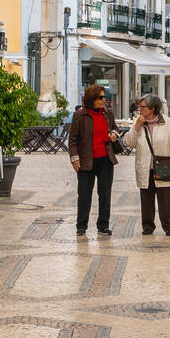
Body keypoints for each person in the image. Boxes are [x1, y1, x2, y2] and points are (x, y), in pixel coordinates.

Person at [122, 94, 170, 235]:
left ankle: (169, 227)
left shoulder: (168, 124)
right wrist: (136, 127)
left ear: (153, 108)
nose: (140, 109)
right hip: (145, 168)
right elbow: (128, 143)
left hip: (164, 167)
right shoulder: (139, 124)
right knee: (146, 200)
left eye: (143, 107)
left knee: (165, 201)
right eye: (139, 107)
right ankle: (147, 226)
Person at [68, 84, 121, 236]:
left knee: (105, 194)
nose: (104, 100)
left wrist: (113, 133)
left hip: (106, 160)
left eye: (105, 97)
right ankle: (81, 225)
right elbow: (73, 139)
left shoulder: (107, 114)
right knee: (84, 194)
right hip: (86, 160)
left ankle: (103, 224)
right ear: (92, 99)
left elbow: (115, 128)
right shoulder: (80, 115)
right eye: (101, 97)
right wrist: (74, 158)